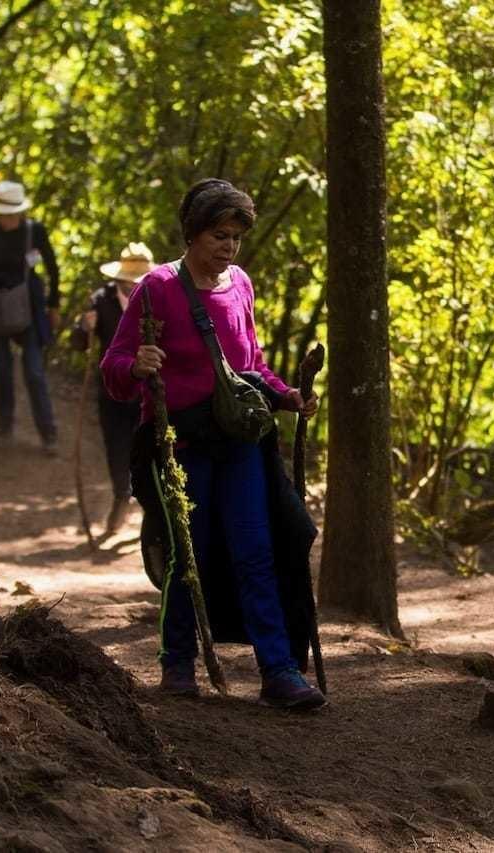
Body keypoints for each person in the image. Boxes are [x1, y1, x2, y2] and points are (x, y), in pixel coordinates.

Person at [101, 178, 325, 710]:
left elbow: (250, 367)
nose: (228, 246)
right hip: (180, 442)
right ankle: (177, 663)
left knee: (257, 551)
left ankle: (278, 670)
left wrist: (286, 395)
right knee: (189, 552)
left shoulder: (240, 284)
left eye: (236, 237)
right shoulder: (156, 288)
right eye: (218, 235)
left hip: (239, 441)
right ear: (193, 234)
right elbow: (113, 367)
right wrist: (137, 365)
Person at [0, 180, 60, 453]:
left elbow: (53, 268)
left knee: (33, 372)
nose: (5, 218)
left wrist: (53, 305)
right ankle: (4, 428)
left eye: (10, 213)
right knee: (3, 371)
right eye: (1, 213)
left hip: (28, 310)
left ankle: (48, 434)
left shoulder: (35, 231)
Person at [71, 243, 154, 535]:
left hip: (150, 391)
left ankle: (151, 509)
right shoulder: (101, 300)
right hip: (113, 390)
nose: (133, 286)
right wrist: (84, 327)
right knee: (116, 449)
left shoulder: (158, 299)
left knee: (148, 450)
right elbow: (79, 344)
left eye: (139, 281)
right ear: (119, 279)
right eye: (129, 281)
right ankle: (122, 495)